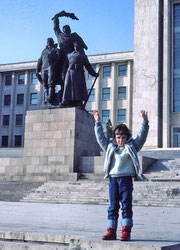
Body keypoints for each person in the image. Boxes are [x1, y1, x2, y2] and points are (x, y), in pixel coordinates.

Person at [93, 110, 149, 241]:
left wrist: (145, 122)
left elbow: (142, 137)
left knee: (126, 205)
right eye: (118, 137)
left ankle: (126, 232)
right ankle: (111, 231)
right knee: (113, 206)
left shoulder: (132, 146)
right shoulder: (110, 147)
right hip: (113, 179)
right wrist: (97, 123)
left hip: (126, 179)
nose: (121, 140)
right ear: (114, 138)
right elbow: (100, 137)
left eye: (123, 137)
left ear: (127, 137)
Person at [60, 42, 99, 108]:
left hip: (78, 72)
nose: (75, 46)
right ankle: (65, 101)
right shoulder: (69, 55)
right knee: (67, 86)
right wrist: (63, 73)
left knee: (78, 88)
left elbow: (88, 66)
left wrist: (94, 74)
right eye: (74, 45)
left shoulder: (83, 55)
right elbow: (65, 65)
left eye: (77, 45)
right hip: (69, 72)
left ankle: (78, 102)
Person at [36, 38, 63, 105]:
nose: (49, 42)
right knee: (45, 84)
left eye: (50, 41)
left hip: (52, 68)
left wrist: (52, 56)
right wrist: (37, 70)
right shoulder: (44, 51)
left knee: (51, 83)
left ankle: (50, 98)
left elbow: (59, 58)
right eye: (48, 41)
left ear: (53, 42)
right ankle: (48, 98)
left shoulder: (56, 50)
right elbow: (40, 60)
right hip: (44, 69)